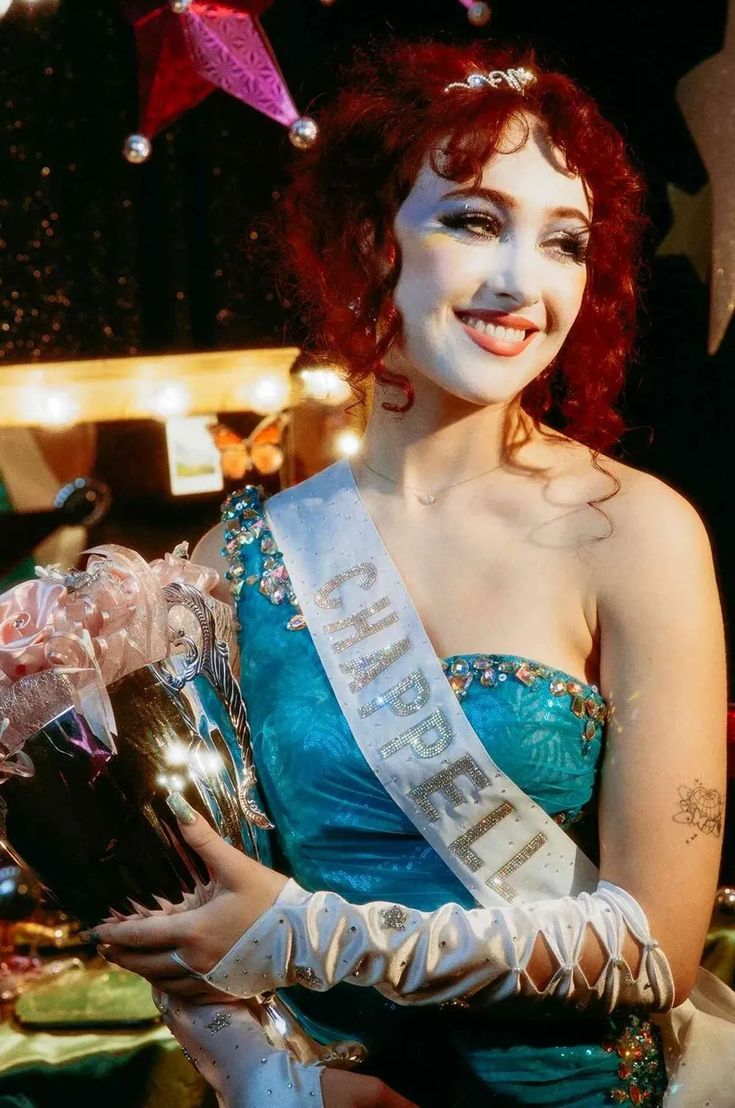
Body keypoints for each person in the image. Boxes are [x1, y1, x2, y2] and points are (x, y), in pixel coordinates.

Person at [90, 38, 730, 1107]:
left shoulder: (637, 532)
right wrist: (283, 1082)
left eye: (566, 241)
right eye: (474, 221)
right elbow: (179, 909)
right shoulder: (231, 568)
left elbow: (653, 946)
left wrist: (311, 936)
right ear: (363, 239)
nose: (526, 282)